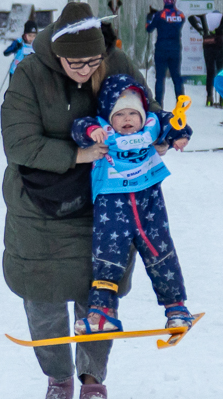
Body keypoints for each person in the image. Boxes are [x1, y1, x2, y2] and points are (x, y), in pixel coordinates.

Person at [1, 2, 161, 399]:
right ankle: (58, 377)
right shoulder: (29, 74)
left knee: (100, 293)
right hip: (41, 204)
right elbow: (18, 143)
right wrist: (78, 154)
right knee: (43, 295)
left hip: (106, 202)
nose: (86, 71)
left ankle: (93, 382)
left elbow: (148, 110)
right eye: (76, 63)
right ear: (58, 53)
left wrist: (158, 134)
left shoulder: (114, 62)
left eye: (93, 62)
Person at [70, 74, 194, 338]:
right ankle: (102, 313)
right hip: (112, 206)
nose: (127, 119)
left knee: (161, 252)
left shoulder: (151, 125)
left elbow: (174, 121)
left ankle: (176, 308)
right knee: (107, 257)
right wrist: (92, 132)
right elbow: (79, 127)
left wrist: (179, 136)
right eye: (120, 114)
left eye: (132, 113)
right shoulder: (101, 128)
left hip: (149, 204)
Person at [145, 0, 185, 105]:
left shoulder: (159, 15)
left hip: (161, 49)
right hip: (175, 49)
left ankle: (158, 105)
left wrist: (149, 18)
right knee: (176, 77)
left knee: (160, 78)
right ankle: (180, 104)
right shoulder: (180, 15)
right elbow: (177, 23)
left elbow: (149, 28)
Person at [189, 8, 223, 106]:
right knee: (221, 71)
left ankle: (209, 98)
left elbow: (191, 18)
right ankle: (222, 99)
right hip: (219, 45)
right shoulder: (222, 16)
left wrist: (200, 29)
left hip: (207, 46)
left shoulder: (204, 17)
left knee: (210, 72)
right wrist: (220, 28)